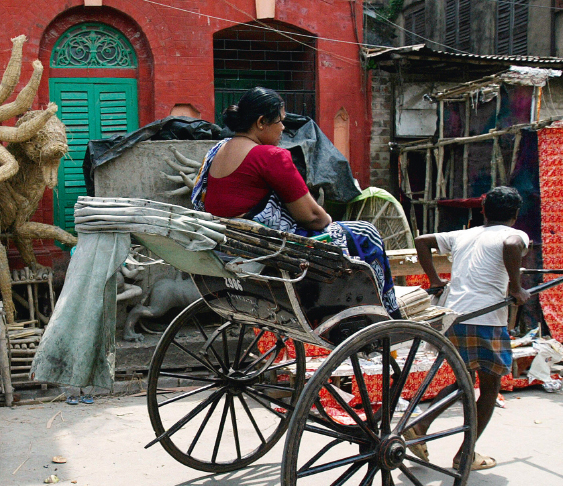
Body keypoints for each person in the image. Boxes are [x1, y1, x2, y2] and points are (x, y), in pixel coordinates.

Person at [192, 87, 400, 317]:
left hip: (230, 248)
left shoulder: (217, 151)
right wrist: (327, 217)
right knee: (367, 232)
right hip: (265, 254)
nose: (283, 128)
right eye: (280, 121)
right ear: (261, 122)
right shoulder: (269, 156)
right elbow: (313, 218)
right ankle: (385, 313)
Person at [412, 186, 530, 471]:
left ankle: (420, 426)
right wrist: (515, 288)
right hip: (486, 320)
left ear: (483, 211)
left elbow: (421, 241)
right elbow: (513, 245)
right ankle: (466, 454)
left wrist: (436, 280)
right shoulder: (514, 235)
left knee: (462, 381)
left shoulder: (464, 234)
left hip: (454, 316)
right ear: (515, 214)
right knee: (489, 388)